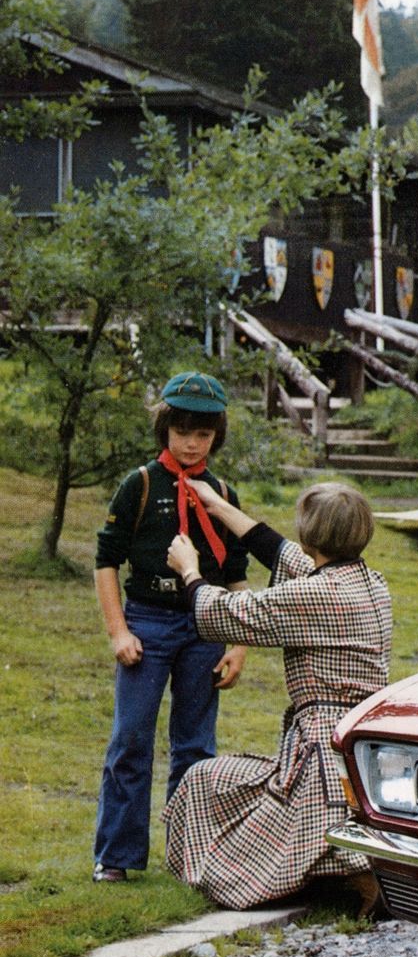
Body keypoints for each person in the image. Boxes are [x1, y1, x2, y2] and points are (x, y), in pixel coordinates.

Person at [162, 481, 392, 912]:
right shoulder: (371, 583)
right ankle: (346, 874)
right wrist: (219, 507)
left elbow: (224, 613)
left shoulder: (315, 596)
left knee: (202, 781)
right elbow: (283, 553)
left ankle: (355, 876)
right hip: (360, 743)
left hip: (320, 756)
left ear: (311, 535)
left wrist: (189, 570)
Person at [91, 372, 251, 884]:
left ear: (215, 437)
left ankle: (188, 854)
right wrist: (120, 632)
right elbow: (105, 563)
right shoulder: (138, 486)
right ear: (164, 428)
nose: (189, 443)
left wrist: (239, 645)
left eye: (201, 434)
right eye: (180, 430)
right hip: (147, 624)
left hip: (204, 630)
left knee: (196, 745)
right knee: (131, 739)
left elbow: (238, 576)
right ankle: (116, 855)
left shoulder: (223, 494)